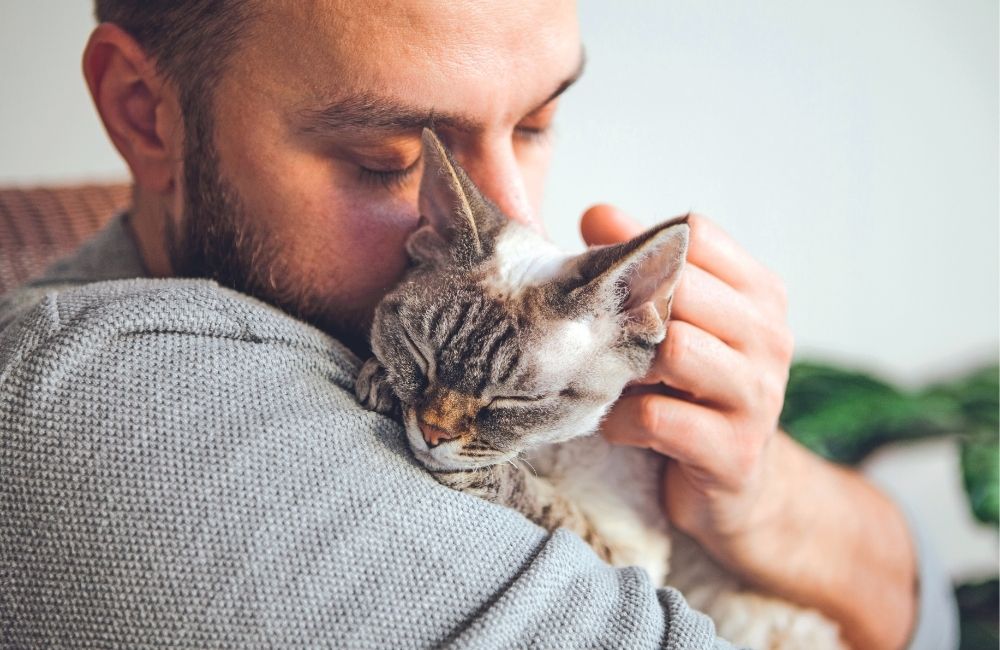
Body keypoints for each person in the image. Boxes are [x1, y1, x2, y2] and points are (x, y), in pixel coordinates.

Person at [0, 2, 956, 648]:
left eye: (536, 126)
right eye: (389, 159)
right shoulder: (108, 412)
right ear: (144, 114)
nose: (512, 220)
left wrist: (761, 495)